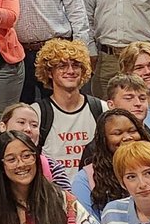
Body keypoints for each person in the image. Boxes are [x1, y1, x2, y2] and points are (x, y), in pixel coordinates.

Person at [33, 39, 104, 177]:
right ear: (49, 72)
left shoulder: (101, 108)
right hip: (53, 189)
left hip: (93, 187)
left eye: (76, 65)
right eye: (62, 66)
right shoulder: (37, 113)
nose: (70, 71)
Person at [0, 102, 71, 193]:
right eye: (21, 122)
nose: (28, 129)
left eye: (34, 125)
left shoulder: (53, 169)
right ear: (3, 127)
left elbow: (67, 203)